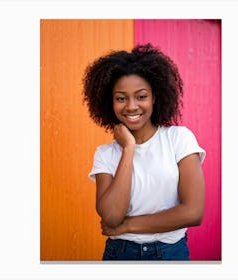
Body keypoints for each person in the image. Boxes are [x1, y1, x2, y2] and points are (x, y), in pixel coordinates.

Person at [82, 43, 206, 261]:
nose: (131, 106)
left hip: (170, 254)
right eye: (121, 98)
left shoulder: (179, 139)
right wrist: (128, 149)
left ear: (154, 97)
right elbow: (111, 217)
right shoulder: (105, 154)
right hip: (120, 254)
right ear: (109, 102)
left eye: (141, 96)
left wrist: (128, 225)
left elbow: (193, 212)